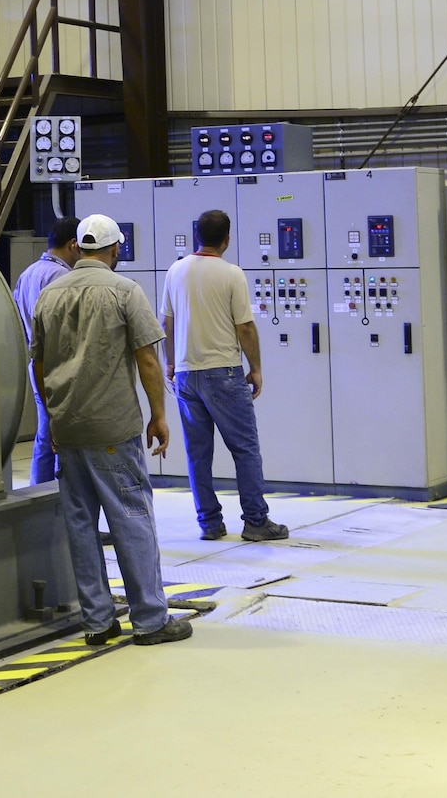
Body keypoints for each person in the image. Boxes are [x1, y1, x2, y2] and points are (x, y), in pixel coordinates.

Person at [29, 214, 191, 648]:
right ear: (115, 249)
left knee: (81, 525)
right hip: (113, 428)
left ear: (79, 248)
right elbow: (148, 359)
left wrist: (53, 416)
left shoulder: (49, 294)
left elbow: (39, 364)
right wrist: (159, 415)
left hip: (68, 427)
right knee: (131, 518)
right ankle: (151, 620)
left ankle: (98, 622)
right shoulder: (124, 291)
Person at [161, 209, 290, 543]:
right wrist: (256, 368)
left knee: (197, 454)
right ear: (227, 240)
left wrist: (171, 364)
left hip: (187, 375)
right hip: (223, 373)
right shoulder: (232, 274)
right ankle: (256, 521)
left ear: (196, 236)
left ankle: (209, 523)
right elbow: (244, 327)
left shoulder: (175, 270)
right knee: (245, 449)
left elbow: (167, 323)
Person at [12, 217, 80, 486]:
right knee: (64, 434)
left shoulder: (28, 273)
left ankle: (38, 490)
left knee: (44, 431)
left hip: (36, 364)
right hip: (60, 366)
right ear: (73, 244)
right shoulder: (63, 277)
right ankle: (66, 493)